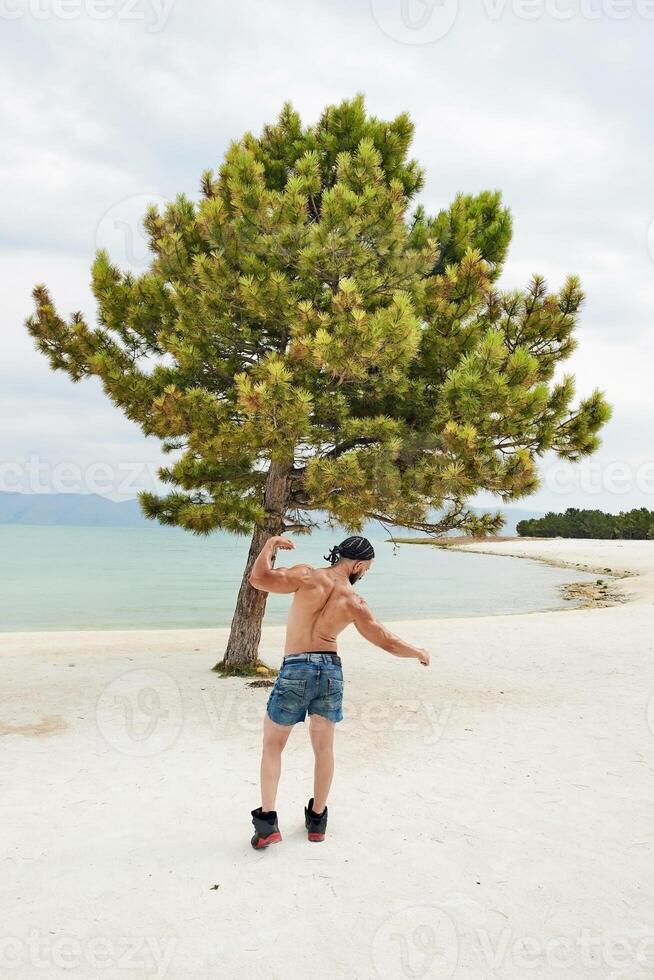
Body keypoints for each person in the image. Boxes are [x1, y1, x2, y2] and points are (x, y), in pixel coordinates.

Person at [247, 533, 430, 849]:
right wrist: (417, 651)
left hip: (296, 667)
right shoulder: (354, 603)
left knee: (273, 746)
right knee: (324, 749)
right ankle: (317, 822)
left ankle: (267, 826)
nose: (364, 574)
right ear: (357, 564)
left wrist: (270, 545)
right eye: (367, 569)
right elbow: (386, 640)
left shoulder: (306, 576)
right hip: (330, 671)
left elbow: (258, 579)